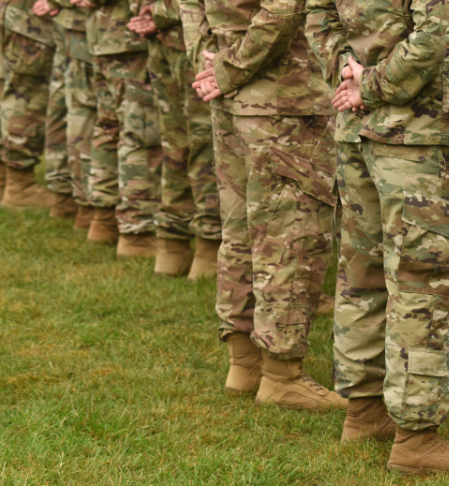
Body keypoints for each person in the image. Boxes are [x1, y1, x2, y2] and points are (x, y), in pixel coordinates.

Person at [306, 0, 449, 472]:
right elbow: (436, 35)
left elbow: (318, 13)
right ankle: (415, 437)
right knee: (424, 282)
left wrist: (346, 70)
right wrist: (366, 83)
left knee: (362, 272)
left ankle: (364, 411)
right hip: (417, 133)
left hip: (358, 127)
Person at [181, 0, 346, 410]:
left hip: (233, 93)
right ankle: (281, 375)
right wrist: (227, 69)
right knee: (290, 236)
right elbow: (283, 9)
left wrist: (212, 64)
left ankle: (244, 365)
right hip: (283, 99)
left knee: (240, 231)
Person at [128, 0, 221, 279]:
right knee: (206, 146)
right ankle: (208, 251)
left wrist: (145, 11)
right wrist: (158, 13)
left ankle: (172, 249)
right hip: (196, 43)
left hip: (165, 38)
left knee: (176, 144)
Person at [74, 0, 163, 257]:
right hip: (130, 38)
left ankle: (103, 220)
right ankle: (137, 232)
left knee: (108, 126)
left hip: (104, 36)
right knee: (141, 134)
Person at [0, 0, 56, 210]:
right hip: (29, 21)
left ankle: (5, 178)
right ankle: (20, 185)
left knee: (8, 90)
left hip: (12, 14)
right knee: (27, 96)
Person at [36, 0, 78, 219]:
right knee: (84, 110)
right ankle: (84, 204)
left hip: (70, 19)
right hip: (87, 22)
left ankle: (63, 195)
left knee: (65, 101)